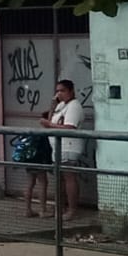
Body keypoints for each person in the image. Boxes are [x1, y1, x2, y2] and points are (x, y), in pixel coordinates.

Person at [42, 79, 87, 223]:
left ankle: (72, 209)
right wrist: (52, 105)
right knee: (59, 179)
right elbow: (50, 122)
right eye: (57, 91)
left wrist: (49, 124)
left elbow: (69, 127)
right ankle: (59, 207)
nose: (59, 94)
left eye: (62, 91)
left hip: (69, 146)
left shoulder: (74, 106)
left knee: (69, 178)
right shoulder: (61, 105)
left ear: (71, 91)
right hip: (57, 147)